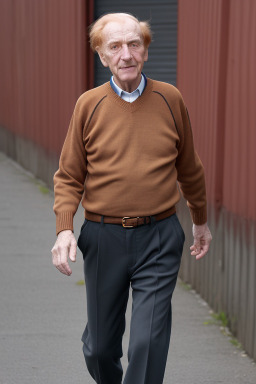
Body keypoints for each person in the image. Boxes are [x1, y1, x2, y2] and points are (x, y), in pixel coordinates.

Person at [51, 12, 212, 384]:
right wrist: (64, 230)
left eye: (134, 44)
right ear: (102, 56)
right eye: (115, 46)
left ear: (145, 50)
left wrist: (200, 220)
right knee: (100, 350)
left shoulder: (169, 99)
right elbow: (69, 176)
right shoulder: (88, 105)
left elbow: (190, 168)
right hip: (103, 237)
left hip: (158, 236)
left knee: (147, 343)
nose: (126, 54)